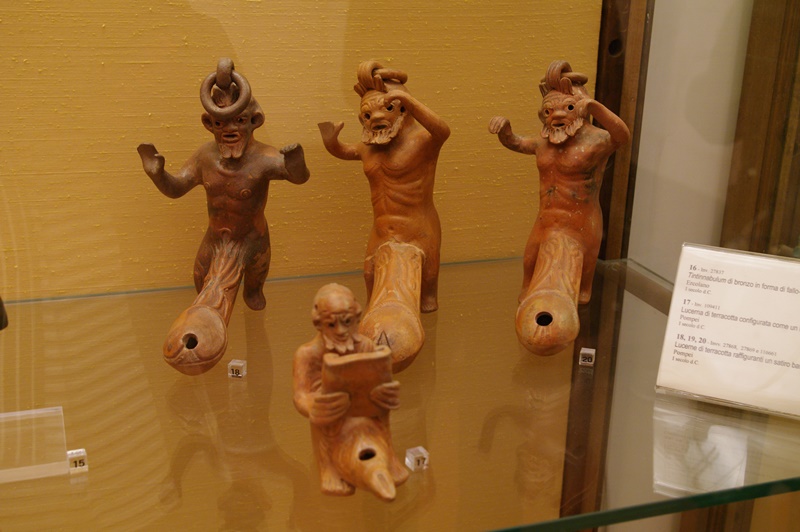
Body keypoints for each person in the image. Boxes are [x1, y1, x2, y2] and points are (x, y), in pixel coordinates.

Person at [137, 58, 309, 311]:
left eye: (239, 121)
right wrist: (158, 175)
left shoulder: (264, 157)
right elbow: (176, 189)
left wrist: (296, 162)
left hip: (252, 239)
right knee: (200, 281)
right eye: (220, 123)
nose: (229, 129)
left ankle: (252, 292)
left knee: (254, 288)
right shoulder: (205, 157)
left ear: (255, 120)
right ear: (209, 124)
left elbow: (298, 178)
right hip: (215, 238)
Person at [489, 60, 630, 303]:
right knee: (530, 265)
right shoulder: (543, 143)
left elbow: (622, 136)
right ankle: (529, 293)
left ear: (582, 109)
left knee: (583, 291)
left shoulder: (596, 141)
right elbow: (516, 142)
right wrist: (505, 130)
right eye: (549, 111)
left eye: (568, 107)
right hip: (546, 221)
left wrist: (596, 108)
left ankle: (583, 292)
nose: (557, 115)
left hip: (581, 222)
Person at [318, 61, 450, 312]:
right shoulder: (367, 148)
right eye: (368, 115)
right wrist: (330, 142)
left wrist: (408, 98)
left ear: (403, 110)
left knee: (427, 293)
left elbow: (442, 130)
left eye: (387, 108)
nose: (377, 118)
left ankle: (427, 303)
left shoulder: (422, 141)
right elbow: (345, 151)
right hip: (380, 230)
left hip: (418, 228)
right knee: (369, 275)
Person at [292, 283, 401, 495]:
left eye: (347, 322)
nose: (341, 331)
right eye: (332, 325)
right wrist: (314, 406)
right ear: (319, 323)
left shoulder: (366, 346)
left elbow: (380, 378)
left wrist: (386, 393)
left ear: (356, 317)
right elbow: (300, 395)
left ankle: (389, 460)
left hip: (366, 410)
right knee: (325, 415)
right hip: (332, 416)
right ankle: (330, 470)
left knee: (381, 409)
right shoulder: (307, 354)